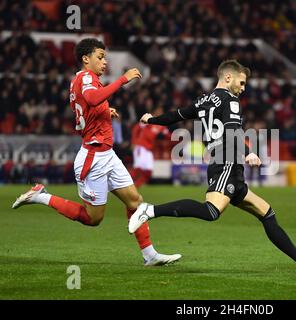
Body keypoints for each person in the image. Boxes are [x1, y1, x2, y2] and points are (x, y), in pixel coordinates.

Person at [127, 60, 296, 273]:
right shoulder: (230, 101)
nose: (243, 88)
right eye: (241, 82)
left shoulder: (204, 100)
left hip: (227, 163)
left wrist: (152, 120)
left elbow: (177, 115)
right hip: (227, 160)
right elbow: (233, 132)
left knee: (267, 213)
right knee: (211, 211)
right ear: (228, 77)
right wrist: (248, 153)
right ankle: (150, 210)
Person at [12, 38, 181, 266]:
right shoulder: (86, 78)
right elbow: (91, 99)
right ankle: (41, 196)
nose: (104, 62)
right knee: (94, 219)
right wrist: (123, 79)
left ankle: (149, 255)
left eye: (105, 57)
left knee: (135, 201)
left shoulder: (83, 81)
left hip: (107, 154)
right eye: (100, 57)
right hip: (93, 157)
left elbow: (86, 105)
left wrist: (104, 111)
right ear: (86, 58)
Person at [129, 120, 170, 188]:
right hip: (141, 147)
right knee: (138, 169)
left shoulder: (162, 127)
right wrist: (133, 142)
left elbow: (168, 135)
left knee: (149, 172)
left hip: (149, 150)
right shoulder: (149, 121)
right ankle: (122, 185)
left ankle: (136, 186)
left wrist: (177, 137)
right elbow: (137, 128)